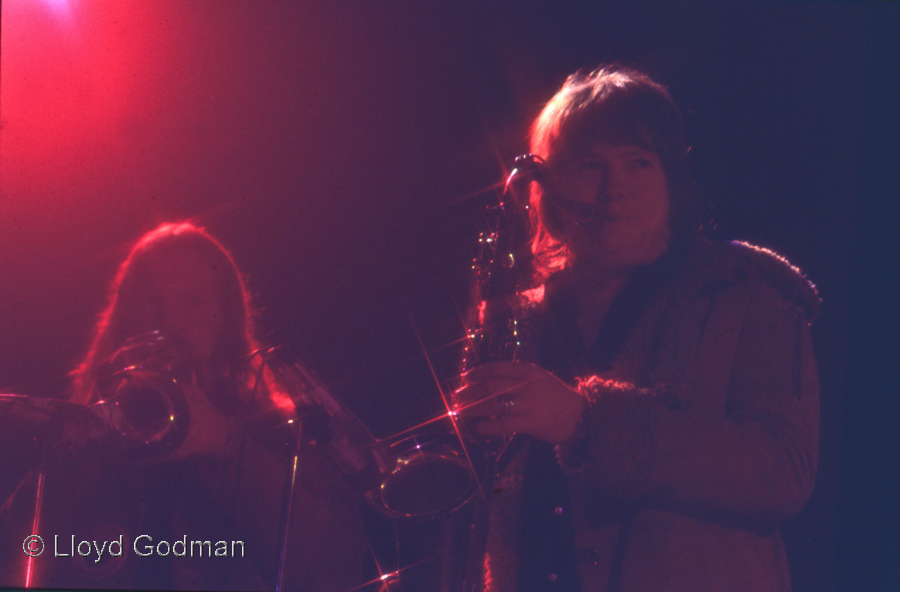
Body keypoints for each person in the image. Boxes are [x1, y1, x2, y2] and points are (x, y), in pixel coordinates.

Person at [456, 65, 820, 591]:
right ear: (551, 188)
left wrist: (586, 422)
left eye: (638, 162)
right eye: (588, 166)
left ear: (673, 178)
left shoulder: (748, 295)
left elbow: (783, 471)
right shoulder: (516, 317)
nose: (614, 188)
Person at [46, 222, 366, 591]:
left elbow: (336, 568)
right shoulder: (82, 447)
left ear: (226, 323)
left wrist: (229, 447)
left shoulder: (287, 432)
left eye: (193, 301)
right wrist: (79, 458)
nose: (169, 323)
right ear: (126, 321)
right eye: (152, 302)